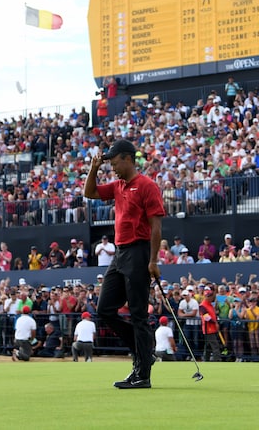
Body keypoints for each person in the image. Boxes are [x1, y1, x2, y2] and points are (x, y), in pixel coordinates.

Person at [85, 139, 165, 389]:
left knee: (139, 314)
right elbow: (90, 193)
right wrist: (94, 169)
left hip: (139, 252)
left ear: (128, 158)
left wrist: (153, 260)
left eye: (116, 162)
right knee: (105, 309)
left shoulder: (146, 186)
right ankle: (143, 351)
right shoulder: (118, 186)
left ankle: (143, 374)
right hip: (120, 254)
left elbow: (156, 227)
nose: (114, 167)